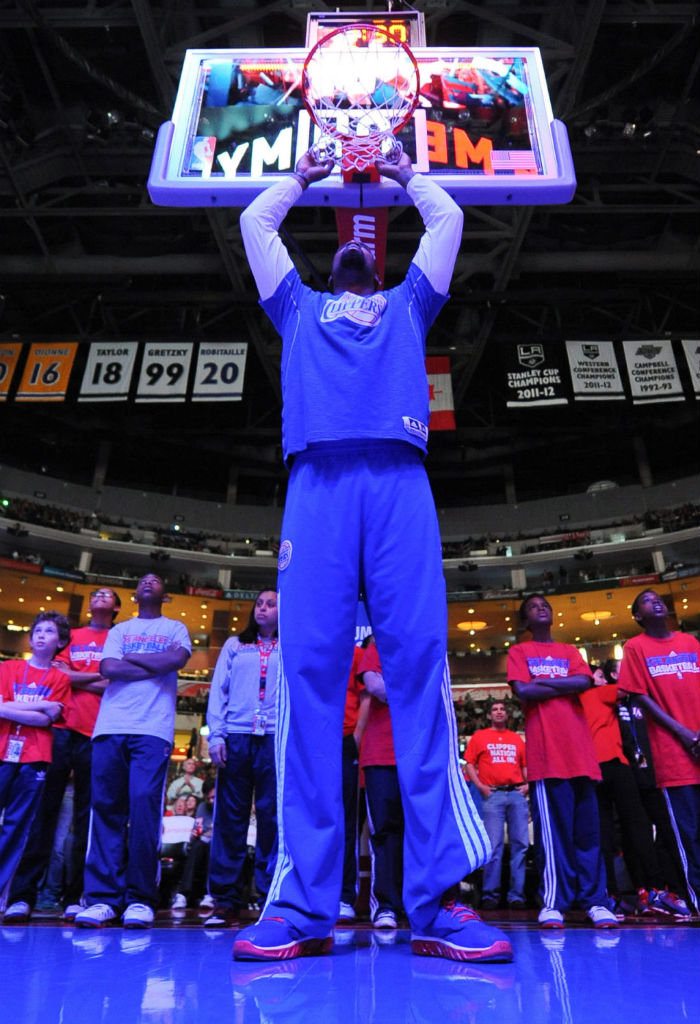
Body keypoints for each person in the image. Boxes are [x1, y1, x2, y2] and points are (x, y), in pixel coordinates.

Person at [233, 148, 511, 963]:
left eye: (366, 251)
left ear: (376, 263)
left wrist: (397, 170)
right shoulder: (296, 308)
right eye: (343, 252)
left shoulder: (408, 306)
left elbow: (449, 218)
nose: (356, 254)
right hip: (316, 482)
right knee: (309, 677)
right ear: (331, 264)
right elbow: (256, 220)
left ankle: (437, 899)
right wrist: (311, 173)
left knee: (420, 669)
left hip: (398, 482)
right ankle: (300, 904)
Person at [74, 573, 191, 929]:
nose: (148, 581)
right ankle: (102, 898)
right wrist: (155, 662)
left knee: (144, 808)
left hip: (152, 730)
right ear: (135, 594)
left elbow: (176, 661)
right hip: (110, 726)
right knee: (106, 809)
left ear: (165, 594)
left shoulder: (176, 627)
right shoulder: (119, 631)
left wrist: (133, 664)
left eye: (156, 580)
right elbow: (108, 667)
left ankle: (140, 898)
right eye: (143, 579)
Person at [4, 587, 120, 923]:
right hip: (60, 730)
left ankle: (76, 896)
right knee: (43, 814)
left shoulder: (118, 638)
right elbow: (61, 677)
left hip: (98, 732)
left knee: (87, 817)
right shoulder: (73, 636)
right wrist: (100, 675)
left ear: (115, 607)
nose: (99, 596)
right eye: (95, 592)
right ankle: (23, 895)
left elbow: (112, 681)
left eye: (106, 594)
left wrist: (77, 679)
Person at [507, 594, 617, 929]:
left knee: (589, 833)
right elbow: (523, 691)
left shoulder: (570, 651)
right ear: (526, 621)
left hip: (582, 756)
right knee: (553, 835)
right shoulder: (519, 652)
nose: (542, 608)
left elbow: (583, 681)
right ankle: (554, 900)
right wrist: (561, 685)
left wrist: (542, 683)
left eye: (545, 606)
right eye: (533, 607)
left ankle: (596, 901)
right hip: (546, 755)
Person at [580, 659, 690, 918]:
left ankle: (610, 896)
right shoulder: (601, 692)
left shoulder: (576, 701)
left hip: (590, 768)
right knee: (638, 824)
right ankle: (654, 891)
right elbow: (628, 689)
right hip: (615, 763)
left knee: (604, 832)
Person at [616, 589, 700, 914]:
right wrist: (682, 731)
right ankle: (695, 897)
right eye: (647, 601)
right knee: (687, 834)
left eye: (658, 598)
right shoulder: (636, 647)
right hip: (673, 753)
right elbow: (638, 696)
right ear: (638, 616)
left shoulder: (691, 643)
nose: (656, 602)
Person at [203, 589, 279, 928]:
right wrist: (216, 734)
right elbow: (219, 688)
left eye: (271, 604)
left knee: (270, 818)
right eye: (259, 604)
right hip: (236, 735)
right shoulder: (235, 645)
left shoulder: (289, 646)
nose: (263, 608)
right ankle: (224, 898)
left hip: (274, 737)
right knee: (231, 819)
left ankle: (268, 896)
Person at [0, 611, 70, 916]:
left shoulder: (60, 678)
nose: (41, 635)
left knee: (16, 827)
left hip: (36, 757)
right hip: (2, 751)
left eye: (49, 631)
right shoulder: (8, 668)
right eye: (37, 630)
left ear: (60, 641)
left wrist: (10, 708)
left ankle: (3, 894)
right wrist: (40, 705)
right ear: (30, 638)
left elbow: (48, 719)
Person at [357, 636, 404, 930]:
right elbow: (375, 687)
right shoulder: (375, 650)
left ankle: (416, 901)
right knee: (384, 831)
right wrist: (413, 692)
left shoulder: (415, 647)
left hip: (415, 756)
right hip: (380, 755)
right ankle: (385, 904)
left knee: (417, 833)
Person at [464, 701, 529, 910]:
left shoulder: (516, 739)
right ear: (489, 715)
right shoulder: (479, 737)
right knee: (493, 847)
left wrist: (528, 786)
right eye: (495, 709)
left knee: (521, 845)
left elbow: (525, 765)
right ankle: (490, 895)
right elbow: (469, 764)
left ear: (507, 715)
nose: (499, 712)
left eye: (502, 709)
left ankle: (516, 896)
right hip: (493, 794)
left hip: (516, 794)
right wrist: (481, 786)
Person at [338, 637, 369, 923]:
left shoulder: (357, 653)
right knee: (319, 819)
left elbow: (365, 697)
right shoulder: (318, 647)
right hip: (318, 740)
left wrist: (356, 737)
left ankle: (345, 895)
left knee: (347, 820)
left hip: (347, 738)